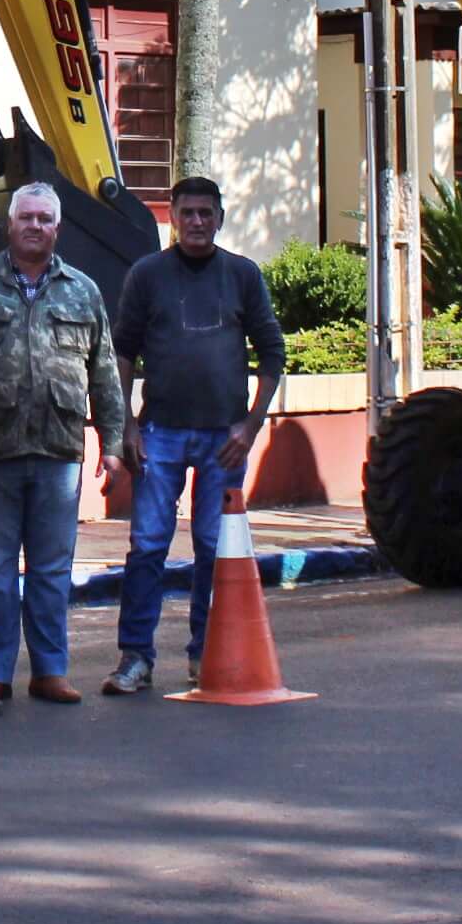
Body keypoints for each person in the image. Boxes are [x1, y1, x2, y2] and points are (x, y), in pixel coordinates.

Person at [105, 175, 287, 697]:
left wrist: (250, 426)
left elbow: (273, 354)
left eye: (206, 213)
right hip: (158, 434)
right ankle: (135, 658)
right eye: (187, 213)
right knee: (147, 547)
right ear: (174, 219)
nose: (197, 222)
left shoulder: (243, 275)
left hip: (223, 440)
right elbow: (122, 352)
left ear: (220, 218)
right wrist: (127, 425)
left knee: (213, 547)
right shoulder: (147, 275)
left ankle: (205, 656)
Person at [0, 181, 123, 705]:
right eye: (26, 217)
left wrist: (113, 441)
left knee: (52, 571)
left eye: (44, 219)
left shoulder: (84, 290)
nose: (34, 226)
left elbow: (105, 373)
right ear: (10, 223)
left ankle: (50, 671)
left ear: (57, 228)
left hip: (58, 453)